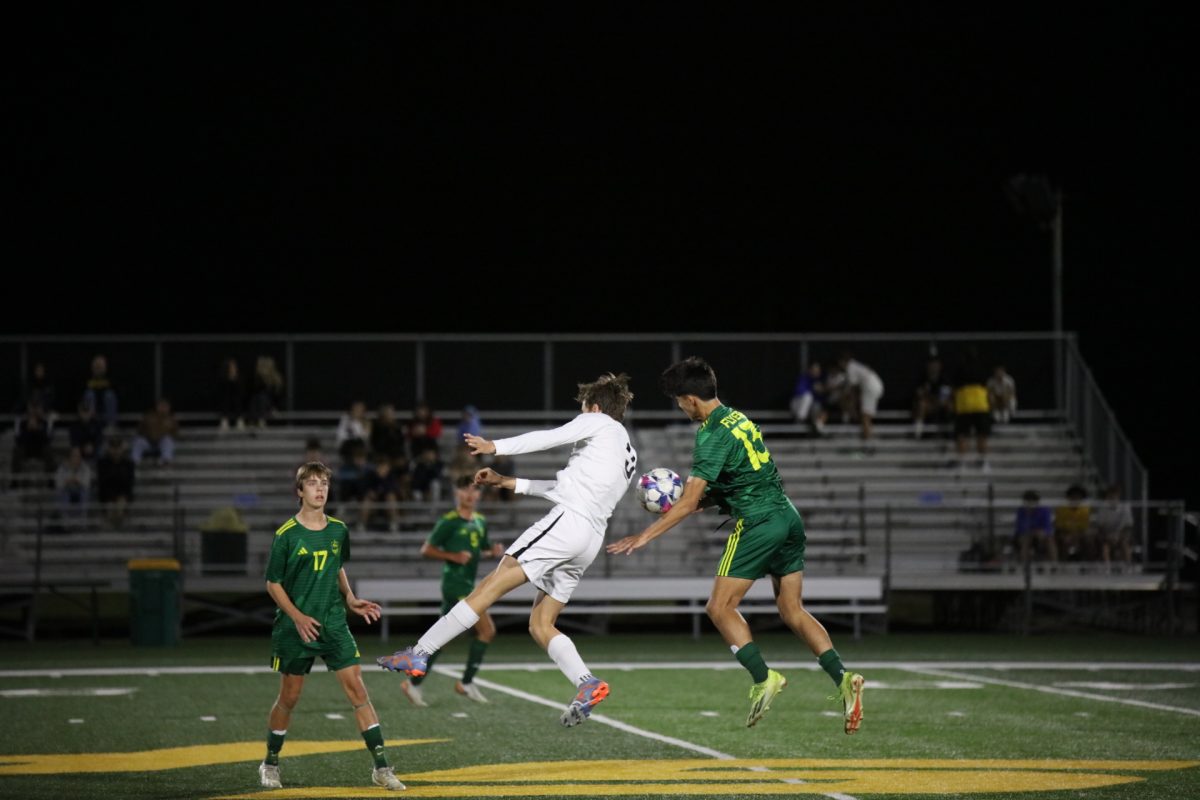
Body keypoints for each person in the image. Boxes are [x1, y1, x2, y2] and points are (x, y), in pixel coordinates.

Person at [607, 357, 865, 734]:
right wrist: (700, 503)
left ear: (691, 399)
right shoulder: (737, 418)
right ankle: (844, 679)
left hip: (759, 522)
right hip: (787, 516)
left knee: (719, 607)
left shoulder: (710, 434)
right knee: (792, 610)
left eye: (679, 401)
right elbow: (734, 481)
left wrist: (644, 536)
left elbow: (691, 499)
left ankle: (764, 678)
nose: (680, 409)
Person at [378, 373, 638, 728]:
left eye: (582, 408)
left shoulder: (596, 421)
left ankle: (420, 653)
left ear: (594, 407)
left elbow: (547, 438)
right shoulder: (625, 449)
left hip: (567, 525)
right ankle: (587, 682)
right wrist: (507, 482)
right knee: (541, 623)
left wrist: (494, 446)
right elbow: (566, 486)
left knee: (491, 584)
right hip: (588, 539)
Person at [258, 461, 404, 791]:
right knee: (289, 697)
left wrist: (350, 599)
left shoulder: (339, 530)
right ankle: (270, 762)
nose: (320, 488)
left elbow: (336, 566)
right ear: (299, 491)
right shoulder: (285, 535)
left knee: (358, 689)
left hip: (334, 623)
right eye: (311, 483)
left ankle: (381, 767)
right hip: (295, 628)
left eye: (323, 482)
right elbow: (272, 583)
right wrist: (296, 616)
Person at [401, 474, 505, 707]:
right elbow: (426, 549)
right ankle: (466, 682)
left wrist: (493, 552)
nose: (470, 494)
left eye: (475, 490)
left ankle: (413, 683)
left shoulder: (480, 521)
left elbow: (481, 550)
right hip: (455, 584)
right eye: (465, 490)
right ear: (457, 494)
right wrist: (452, 556)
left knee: (442, 639)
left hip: (469, 584)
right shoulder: (449, 521)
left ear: (479, 494)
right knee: (487, 630)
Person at [951, 348, 992, 471]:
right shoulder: (983, 369)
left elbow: (955, 388)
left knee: (962, 435)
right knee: (982, 435)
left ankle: (962, 463)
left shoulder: (960, 369)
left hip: (964, 404)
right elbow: (986, 386)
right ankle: (984, 463)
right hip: (980, 404)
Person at [835, 351, 884, 442]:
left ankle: (867, 442)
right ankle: (867, 438)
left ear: (842, 361)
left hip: (870, 387)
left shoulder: (850, 367)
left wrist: (851, 406)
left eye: (840, 363)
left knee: (865, 416)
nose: (840, 366)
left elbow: (852, 391)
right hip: (875, 385)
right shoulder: (855, 366)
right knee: (866, 416)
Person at [1091, 483, 1134, 571]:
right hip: (1107, 535)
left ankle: (1128, 566)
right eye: (1110, 496)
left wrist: (1118, 535)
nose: (1112, 498)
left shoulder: (1125, 507)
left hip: (1121, 534)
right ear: (1107, 496)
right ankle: (1107, 567)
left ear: (1118, 496)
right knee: (1104, 544)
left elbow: (1128, 526)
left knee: (1125, 542)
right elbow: (1100, 526)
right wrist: (1108, 536)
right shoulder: (1102, 508)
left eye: (1114, 496)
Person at [96, 435, 135, 529]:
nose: (116, 451)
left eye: (118, 448)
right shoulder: (102, 462)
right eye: (114, 448)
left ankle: (120, 523)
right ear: (109, 449)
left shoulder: (129, 463)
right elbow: (102, 481)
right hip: (107, 493)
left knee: (120, 506)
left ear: (122, 449)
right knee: (110, 507)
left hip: (123, 492)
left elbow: (129, 482)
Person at [911, 354, 953, 440]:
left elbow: (944, 397)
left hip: (940, 404)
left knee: (950, 405)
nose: (933, 367)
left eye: (936, 365)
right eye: (931, 365)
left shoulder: (944, 379)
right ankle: (918, 433)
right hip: (929, 405)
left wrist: (933, 398)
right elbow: (919, 394)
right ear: (927, 366)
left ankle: (950, 433)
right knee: (921, 405)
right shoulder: (922, 378)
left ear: (940, 366)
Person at [1012, 489, 1057, 567]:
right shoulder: (1021, 511)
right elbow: (1020, 528)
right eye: (1028, 500)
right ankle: (1024, 565)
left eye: (1033, 500)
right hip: (1025, 535)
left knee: (1050, 539)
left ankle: (1054, 565)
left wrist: (1042, 533)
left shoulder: (1045, 510)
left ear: (1037, 501)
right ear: (1025, 501)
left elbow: (1048, 527)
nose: (1030, 502)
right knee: (1025, 539)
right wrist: (1032, 532)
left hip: (1041, 535)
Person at [131, 398, 179, 467]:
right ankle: (134, 461)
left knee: (168, 440)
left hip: (161, 445)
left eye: (165, 406)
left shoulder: (171, 419)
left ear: (169, 407)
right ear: (157, 406)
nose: (163, 408)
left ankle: (165, 461)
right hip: (148, 443)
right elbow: (140, 429)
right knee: (138, 441)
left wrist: (164, 436)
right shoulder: (148, 416)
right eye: (161, 406)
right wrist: (148, 435)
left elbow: (175, 433)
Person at [54, 446, 92, 526]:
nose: (76, 458)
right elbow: (58, 484)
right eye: (74, 456)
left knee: (85, 493)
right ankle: (65, 520)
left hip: (80, 491)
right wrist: (67, 482)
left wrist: (77, 480)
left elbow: (86, 484)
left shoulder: (85, 468)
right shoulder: (62, 468)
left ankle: (83, 520)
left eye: (78, 456)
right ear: (69, 457)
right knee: (61, 493)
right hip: (67, 490)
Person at [1054, 484, 1092, 563]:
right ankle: (1063, 563)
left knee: (1088, 540)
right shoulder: (1062, 509)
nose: (1075, 499)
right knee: (1064, 540)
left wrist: (1075, 536)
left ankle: (1086, 563)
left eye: (1078, 497)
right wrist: (1066, 535)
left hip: (1079, 534)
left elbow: (1084, 528)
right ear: (1068, 497)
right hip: (1064, 533)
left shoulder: (1085, 510)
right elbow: (1059, 526)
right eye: (1073, 497)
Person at [789, 362, 828, 436]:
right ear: (810, 370)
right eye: (815, 370)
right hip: (797, 404)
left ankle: (817, 428)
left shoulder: (819, 381)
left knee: (818, 406)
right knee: (808, 396)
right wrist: (813, 389)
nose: (817, 372)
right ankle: (800, 420)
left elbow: (821, 400)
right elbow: (799, 391)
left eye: (818, 370)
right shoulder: (804, 378)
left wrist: (821, 391)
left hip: (809, 409)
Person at [81, 354, 118, 431]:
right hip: (92, 406)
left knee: (109, 395)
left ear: (105, 367)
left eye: (100, 365)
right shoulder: (86, 378)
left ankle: (110, 425)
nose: (98, 368)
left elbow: (116, 393)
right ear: (92, 366)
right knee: (89, 394)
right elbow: (81, 396)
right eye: (96, 365)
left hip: (105, 408)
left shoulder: (111, 378)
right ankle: (90, 423)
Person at [247, 356, 284, 429]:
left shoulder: (276, 379)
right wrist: (261, 377)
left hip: (270, 405)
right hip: (259, 404)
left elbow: (277, 396)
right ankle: (255, 420)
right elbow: (253, 391)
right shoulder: (257, 378)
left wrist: (275, 407)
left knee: (262, 397)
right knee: (256, 398)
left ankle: (260, 420)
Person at [217, 358, 246, 432]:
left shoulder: (239, 376)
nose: (233, 368)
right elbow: (223, 390)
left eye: (234, 366)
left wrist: (234, 379)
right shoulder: (223, 376)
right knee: (226, 399)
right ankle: (225, 420)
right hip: (226, 397)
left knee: (237, 400)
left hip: (236, 397)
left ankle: (239, 420)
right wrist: (230, 379)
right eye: (231, 366)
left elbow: (240, 389)